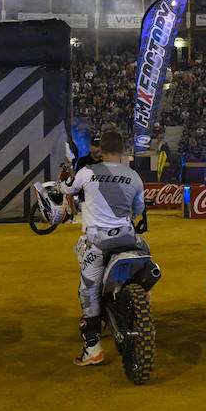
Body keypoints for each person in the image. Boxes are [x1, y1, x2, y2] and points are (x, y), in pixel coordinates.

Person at [61, 130, 148, 367]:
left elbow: (65, 188)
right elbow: (139, 209)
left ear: (101, 150)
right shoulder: (134, 176)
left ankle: (93, 348)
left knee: (87, 290)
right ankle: (143, 294)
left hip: (98, 243)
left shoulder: (87, 172)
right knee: (145, 261)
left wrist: (68, 165)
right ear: (122, 150)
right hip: (128, 238)